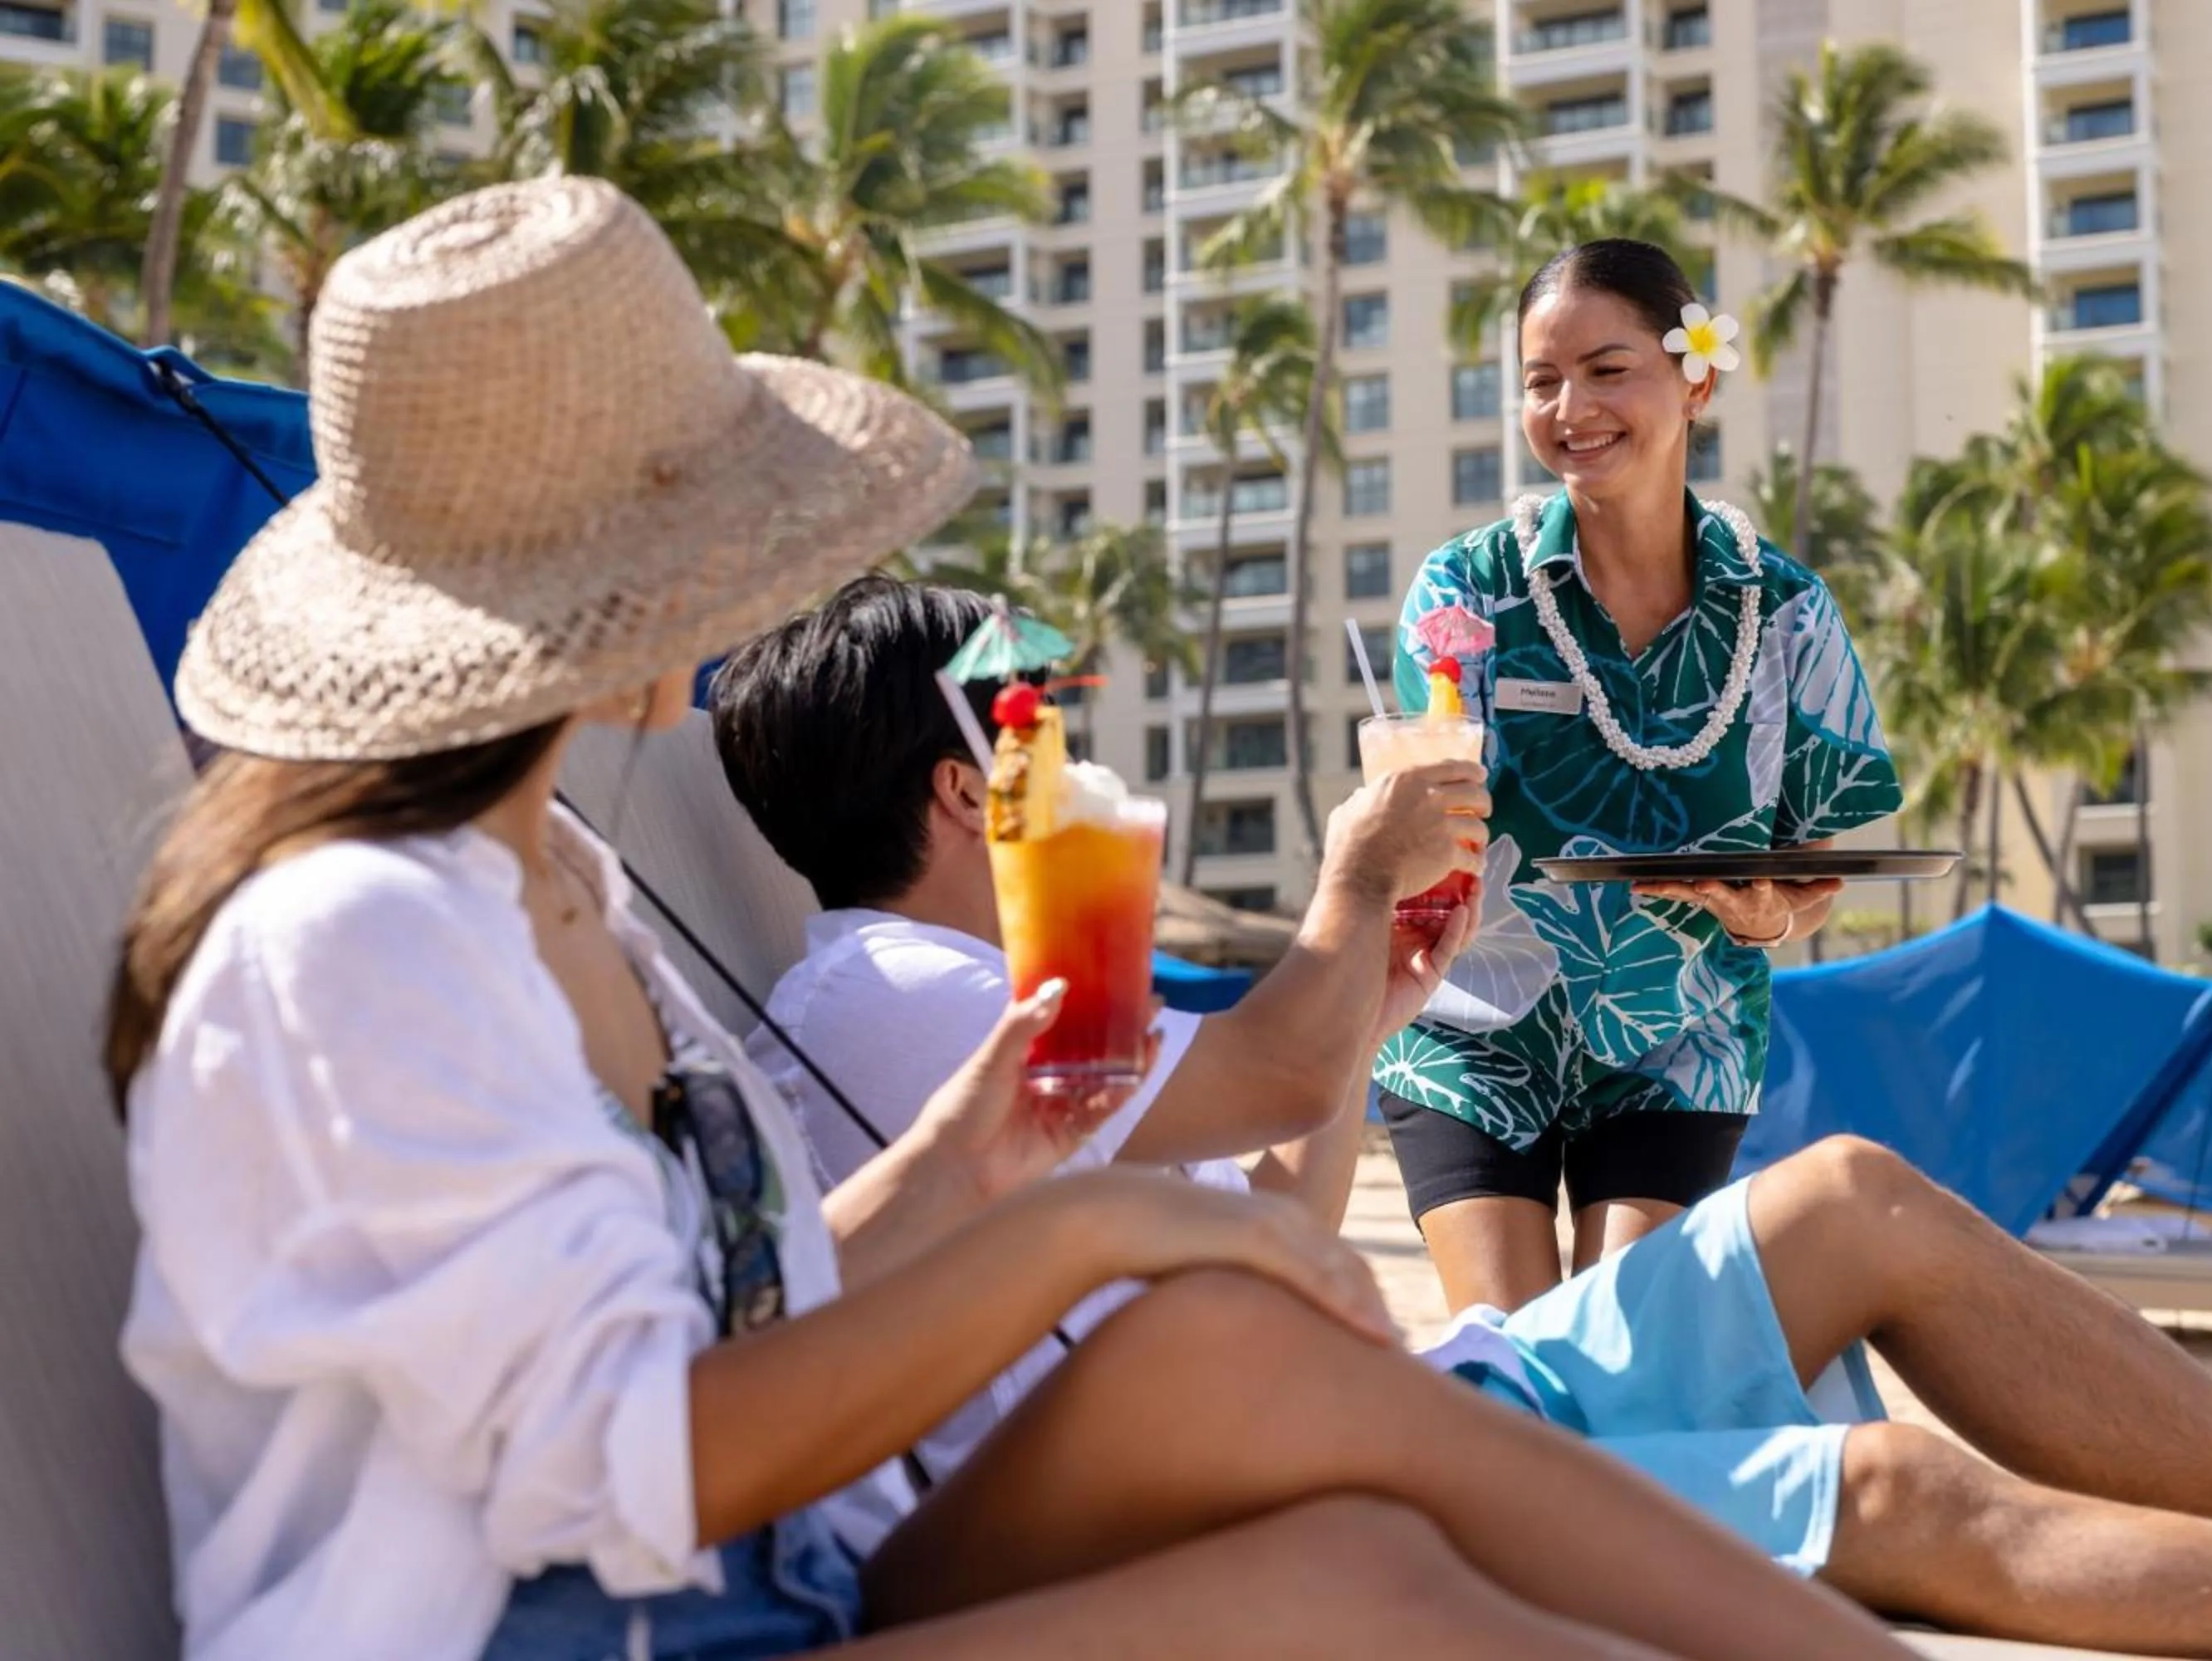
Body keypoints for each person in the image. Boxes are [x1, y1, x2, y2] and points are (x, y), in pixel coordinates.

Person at [112, 176, 1938, 1661]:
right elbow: (633, 1456)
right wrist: (1083, 1230)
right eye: (704, 515)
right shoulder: (357, 944)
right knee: (1306, 1461)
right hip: (601, 1625)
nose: (742, 567)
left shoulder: (569, 886)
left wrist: (975, 1157)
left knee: (1337, 1514)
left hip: (770, 1574)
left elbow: (737, 1303)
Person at [712, 575, 2212, 1659]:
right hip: (1290, 1462)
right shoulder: (896, 984)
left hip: (1398, 1391)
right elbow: (1261, 1079)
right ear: (962, 788)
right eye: (1037, 728)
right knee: (1887, 1487)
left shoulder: (971, 987)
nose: (1079, 766)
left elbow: (1273, 1199)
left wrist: (1375, 1007)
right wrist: (1353, 876)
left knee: (1852, 1196)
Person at [1381, 237, 1902, 1314]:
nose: (1570, 408)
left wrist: (1769, 914)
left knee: (1614, 1345)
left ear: (1694, 381)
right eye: (1541, 381)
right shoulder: (1466, 592)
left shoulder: (1788, 613)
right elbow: (1420, 820)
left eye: (1607, 369)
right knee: (1513, 1351)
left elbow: (1813, 862)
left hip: (1683, 1036)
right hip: (1473, 1029)